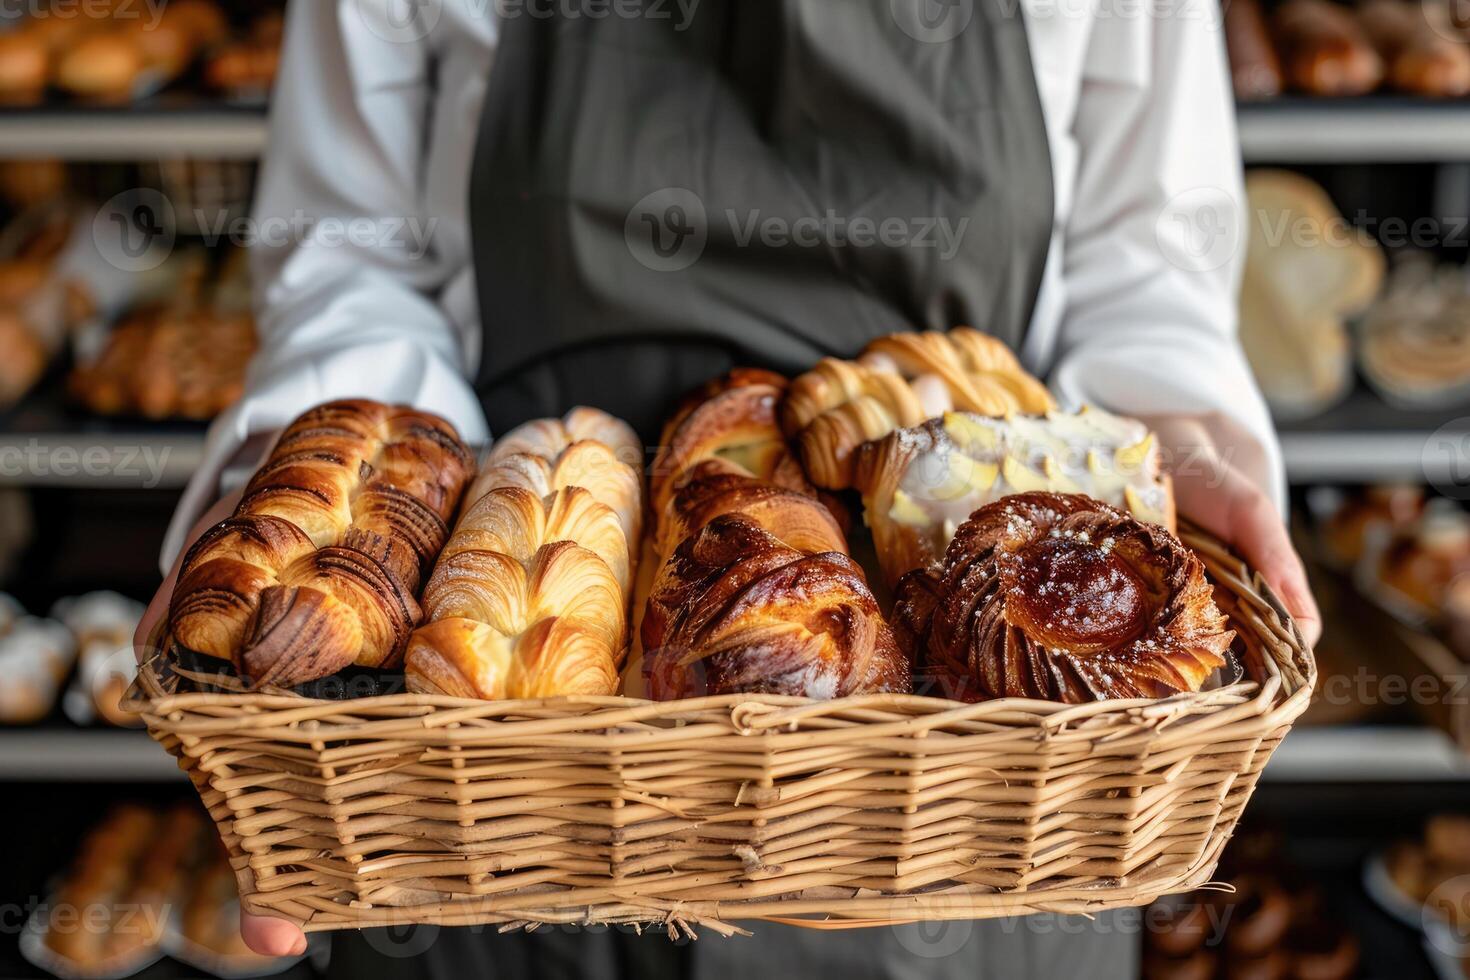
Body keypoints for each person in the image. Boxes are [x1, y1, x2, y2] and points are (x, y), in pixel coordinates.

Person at [135, 1, 1322, 977]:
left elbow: (1143, 253)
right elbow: (352, 246)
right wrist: (310, 518)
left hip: (971, 754)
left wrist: (1182, 447)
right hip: (506, 767)